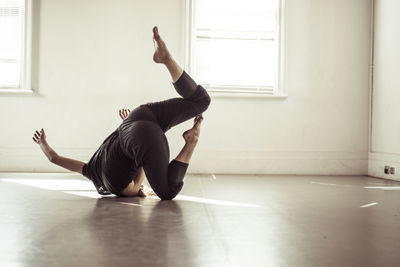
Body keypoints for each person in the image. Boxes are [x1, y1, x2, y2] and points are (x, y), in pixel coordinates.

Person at [32, 26, 211, 200]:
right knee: (201, 101)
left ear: (104, 191)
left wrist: (141, 188)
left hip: (141, 137)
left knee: (167, 191)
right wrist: (42, 143)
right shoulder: (90, 169)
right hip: (135, 117)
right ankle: (166, 58)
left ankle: (191, 142)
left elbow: (140, 172)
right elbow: (53, 158)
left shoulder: (118, 188)